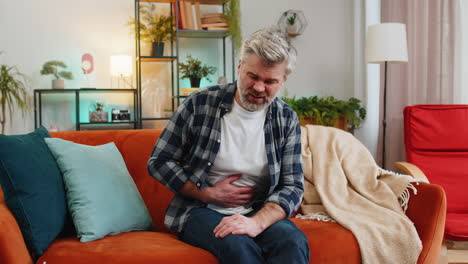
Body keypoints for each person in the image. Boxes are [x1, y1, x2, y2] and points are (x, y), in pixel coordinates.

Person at [148, 26, 309, 264]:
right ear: (239, 66)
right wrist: (205, 192)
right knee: (237, 245)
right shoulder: (199, 104)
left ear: (284, 80)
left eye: (270, 81)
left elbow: (293, 186)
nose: (258, 88)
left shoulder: (286, 118)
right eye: (252, 76)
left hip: (258, 210)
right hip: (199, 210)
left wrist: (256, 222)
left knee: (292, 242)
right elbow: (159, 162)